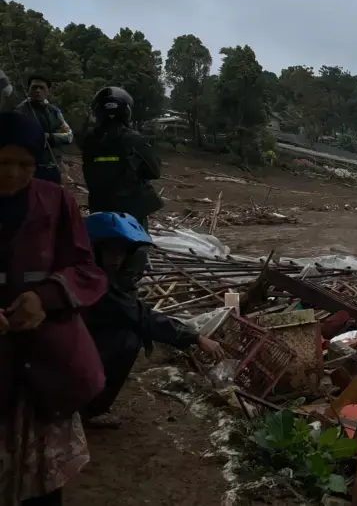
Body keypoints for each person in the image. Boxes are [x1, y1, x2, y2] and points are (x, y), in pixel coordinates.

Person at [0, 107, 108, 506]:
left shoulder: (56, 202)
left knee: (44, 485)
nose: (12, 173)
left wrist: (44, 297)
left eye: (24, 164)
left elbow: (85, 268)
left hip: (44, 365)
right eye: (3, 162)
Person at [82, 212, 223, 429]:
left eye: (122, 252)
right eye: (111, 251)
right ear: (94, 248)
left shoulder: (93, 274)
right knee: (128, 339)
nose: (117, 259)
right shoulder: (93, 280)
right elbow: (141, 316)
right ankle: (90, 409)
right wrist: (195, 336)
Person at [80, 87, 163, 229]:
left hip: (99, 206)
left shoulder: (88, 141)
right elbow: (154, 171)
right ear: (126, 111)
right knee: (138, 245)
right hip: (131, 211)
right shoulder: (135, 139)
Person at [13, 75, 72, 185]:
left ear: (48, 91)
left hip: (52, 166)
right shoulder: (19, 112)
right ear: (28, 90)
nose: (38, 91)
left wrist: (48, 137)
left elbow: (68, 136)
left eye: (41, 88)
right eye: (34, 87)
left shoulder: (54, 111)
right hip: (28, 168)